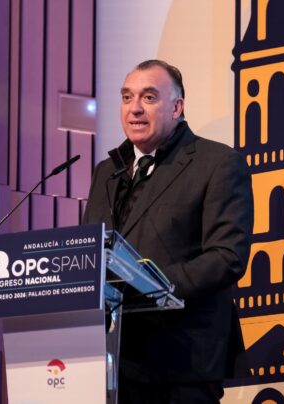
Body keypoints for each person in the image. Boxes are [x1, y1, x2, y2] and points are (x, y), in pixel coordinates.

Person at [83, 59, 254, 403]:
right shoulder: (107, 172)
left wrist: (150, 284)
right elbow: (92, 253)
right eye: (127, 97)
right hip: (112, 362)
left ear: (177, 108)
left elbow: (227, 257)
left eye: (149, 98)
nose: (134, 109)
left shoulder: (217, 163)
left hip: (182, 359)